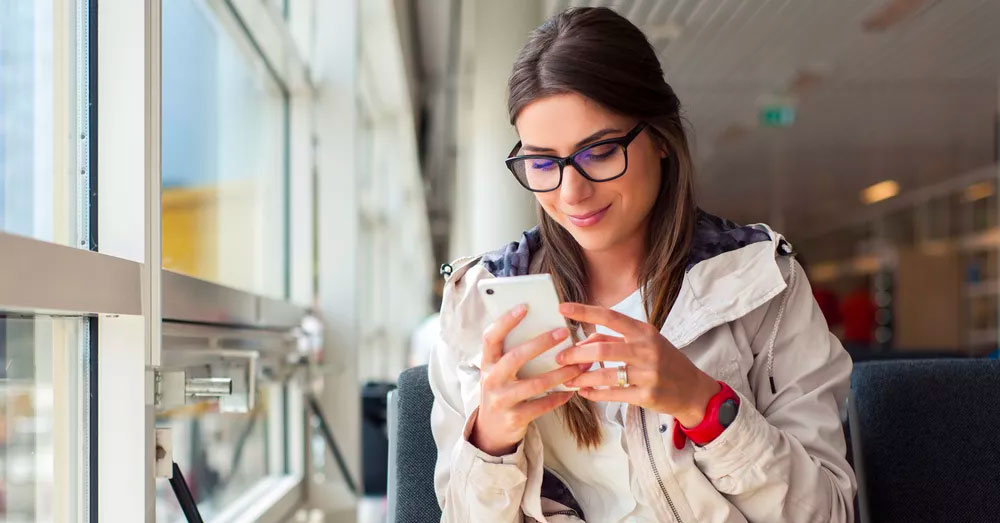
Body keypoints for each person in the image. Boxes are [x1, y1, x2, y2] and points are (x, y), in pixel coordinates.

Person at [428, 7, 855, 522]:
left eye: (601, 152)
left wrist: (705, 406)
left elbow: (829, 514)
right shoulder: (482, 302)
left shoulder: (763, 284)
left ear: (658, 137)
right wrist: (491, 442)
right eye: (543, 163)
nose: (571, 191)